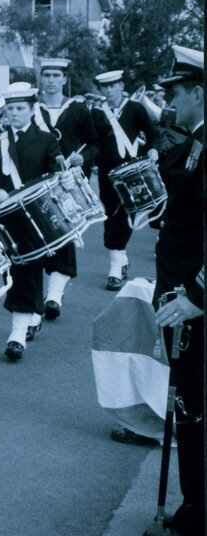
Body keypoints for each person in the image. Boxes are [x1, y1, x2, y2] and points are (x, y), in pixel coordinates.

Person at [145, 45, 204, 536]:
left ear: (199, 94)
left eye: (177, 94)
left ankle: (197, 514)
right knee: (191, 407)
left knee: (194, 410)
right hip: (182, 296)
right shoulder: (196, 143)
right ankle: (195, 506)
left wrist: (196, 298)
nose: (171, 103)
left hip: (193, 304)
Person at [0, 83, 64, 360]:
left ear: (32, 110)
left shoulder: (46, 140)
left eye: (21, 108)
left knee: (27, 269)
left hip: (36, 217)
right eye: (10, 109)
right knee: (11, 270)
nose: (15, 114)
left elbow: (55, 175)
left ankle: (17, 334)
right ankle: (31, 315)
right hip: (4, 216)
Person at [32, 58, 99, 319]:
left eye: (55, 75)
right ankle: (35, 298)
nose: (50, 80)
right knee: (36, 236)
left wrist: (84, 158)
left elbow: (94, 143)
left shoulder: (79, 110)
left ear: (64, 79)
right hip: (35, 183)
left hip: (66, 183)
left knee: (64, 234)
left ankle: (54, 295)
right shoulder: (31, 108)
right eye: (46, 75)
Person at [90, 70, 159, 291]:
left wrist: (153, 151)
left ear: (121, 86)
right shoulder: (97, 113)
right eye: (105, 87)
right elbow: (92, 142)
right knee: (111, 213)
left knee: (124, 213)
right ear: (101, 90)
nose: (109, 91)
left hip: (131, 172)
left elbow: (153, 134)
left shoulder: (136, 108)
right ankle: (120, 259)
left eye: (113, 86)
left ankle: (115, 266)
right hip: (105, 172)